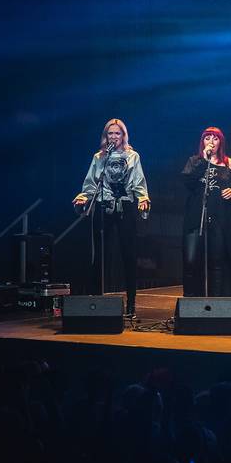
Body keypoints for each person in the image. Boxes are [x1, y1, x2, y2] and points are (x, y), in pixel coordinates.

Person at [72, 118, 150, 317]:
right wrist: (83, 197)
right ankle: (96, 299)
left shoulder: (132, 156)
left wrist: (142, 198)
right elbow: (91, 182)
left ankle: (131, 302)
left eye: (117, 133)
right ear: (105, 136)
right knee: (100, 254)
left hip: (125, 205)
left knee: (128, 254)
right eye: (110, 133)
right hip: (103, 205)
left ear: (123, 135)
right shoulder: (99, 157)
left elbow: (139, 181)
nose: (114, 137)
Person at [181, 127, 231, 297]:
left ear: (220, 142)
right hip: (196, 219)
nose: (211, 141)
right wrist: (204, 160)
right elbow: (188, 182)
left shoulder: (228, 162)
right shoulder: (195, 161)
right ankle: (192, 303)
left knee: (218, 261)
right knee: (192, 260)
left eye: (215, 139)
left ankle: (217, 305)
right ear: (202, 142)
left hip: (219, 219)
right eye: (207, 138)